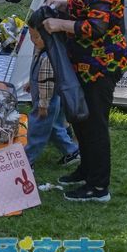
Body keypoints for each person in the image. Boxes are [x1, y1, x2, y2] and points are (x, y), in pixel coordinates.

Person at [42, 0, 127, 203]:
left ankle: (98, 187)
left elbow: (96, 27)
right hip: (85, 61)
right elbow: (84, 3)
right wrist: (65, 3)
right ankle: (86, 170)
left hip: (101, 64)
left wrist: (60, 24)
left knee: (95, 125)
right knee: (80, 118)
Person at [24, 11, 79, 173]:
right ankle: (72, 151)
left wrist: (42, 105)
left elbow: (47, 84)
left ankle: (28, 161)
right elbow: (39, 74)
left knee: (37, 131)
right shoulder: (41, 49)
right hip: (46, 99)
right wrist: (30, 82)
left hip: (46, 102)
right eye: (31, 36)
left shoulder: (48, 57)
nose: (33, 41)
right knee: (54, 128)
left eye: (37, 37)